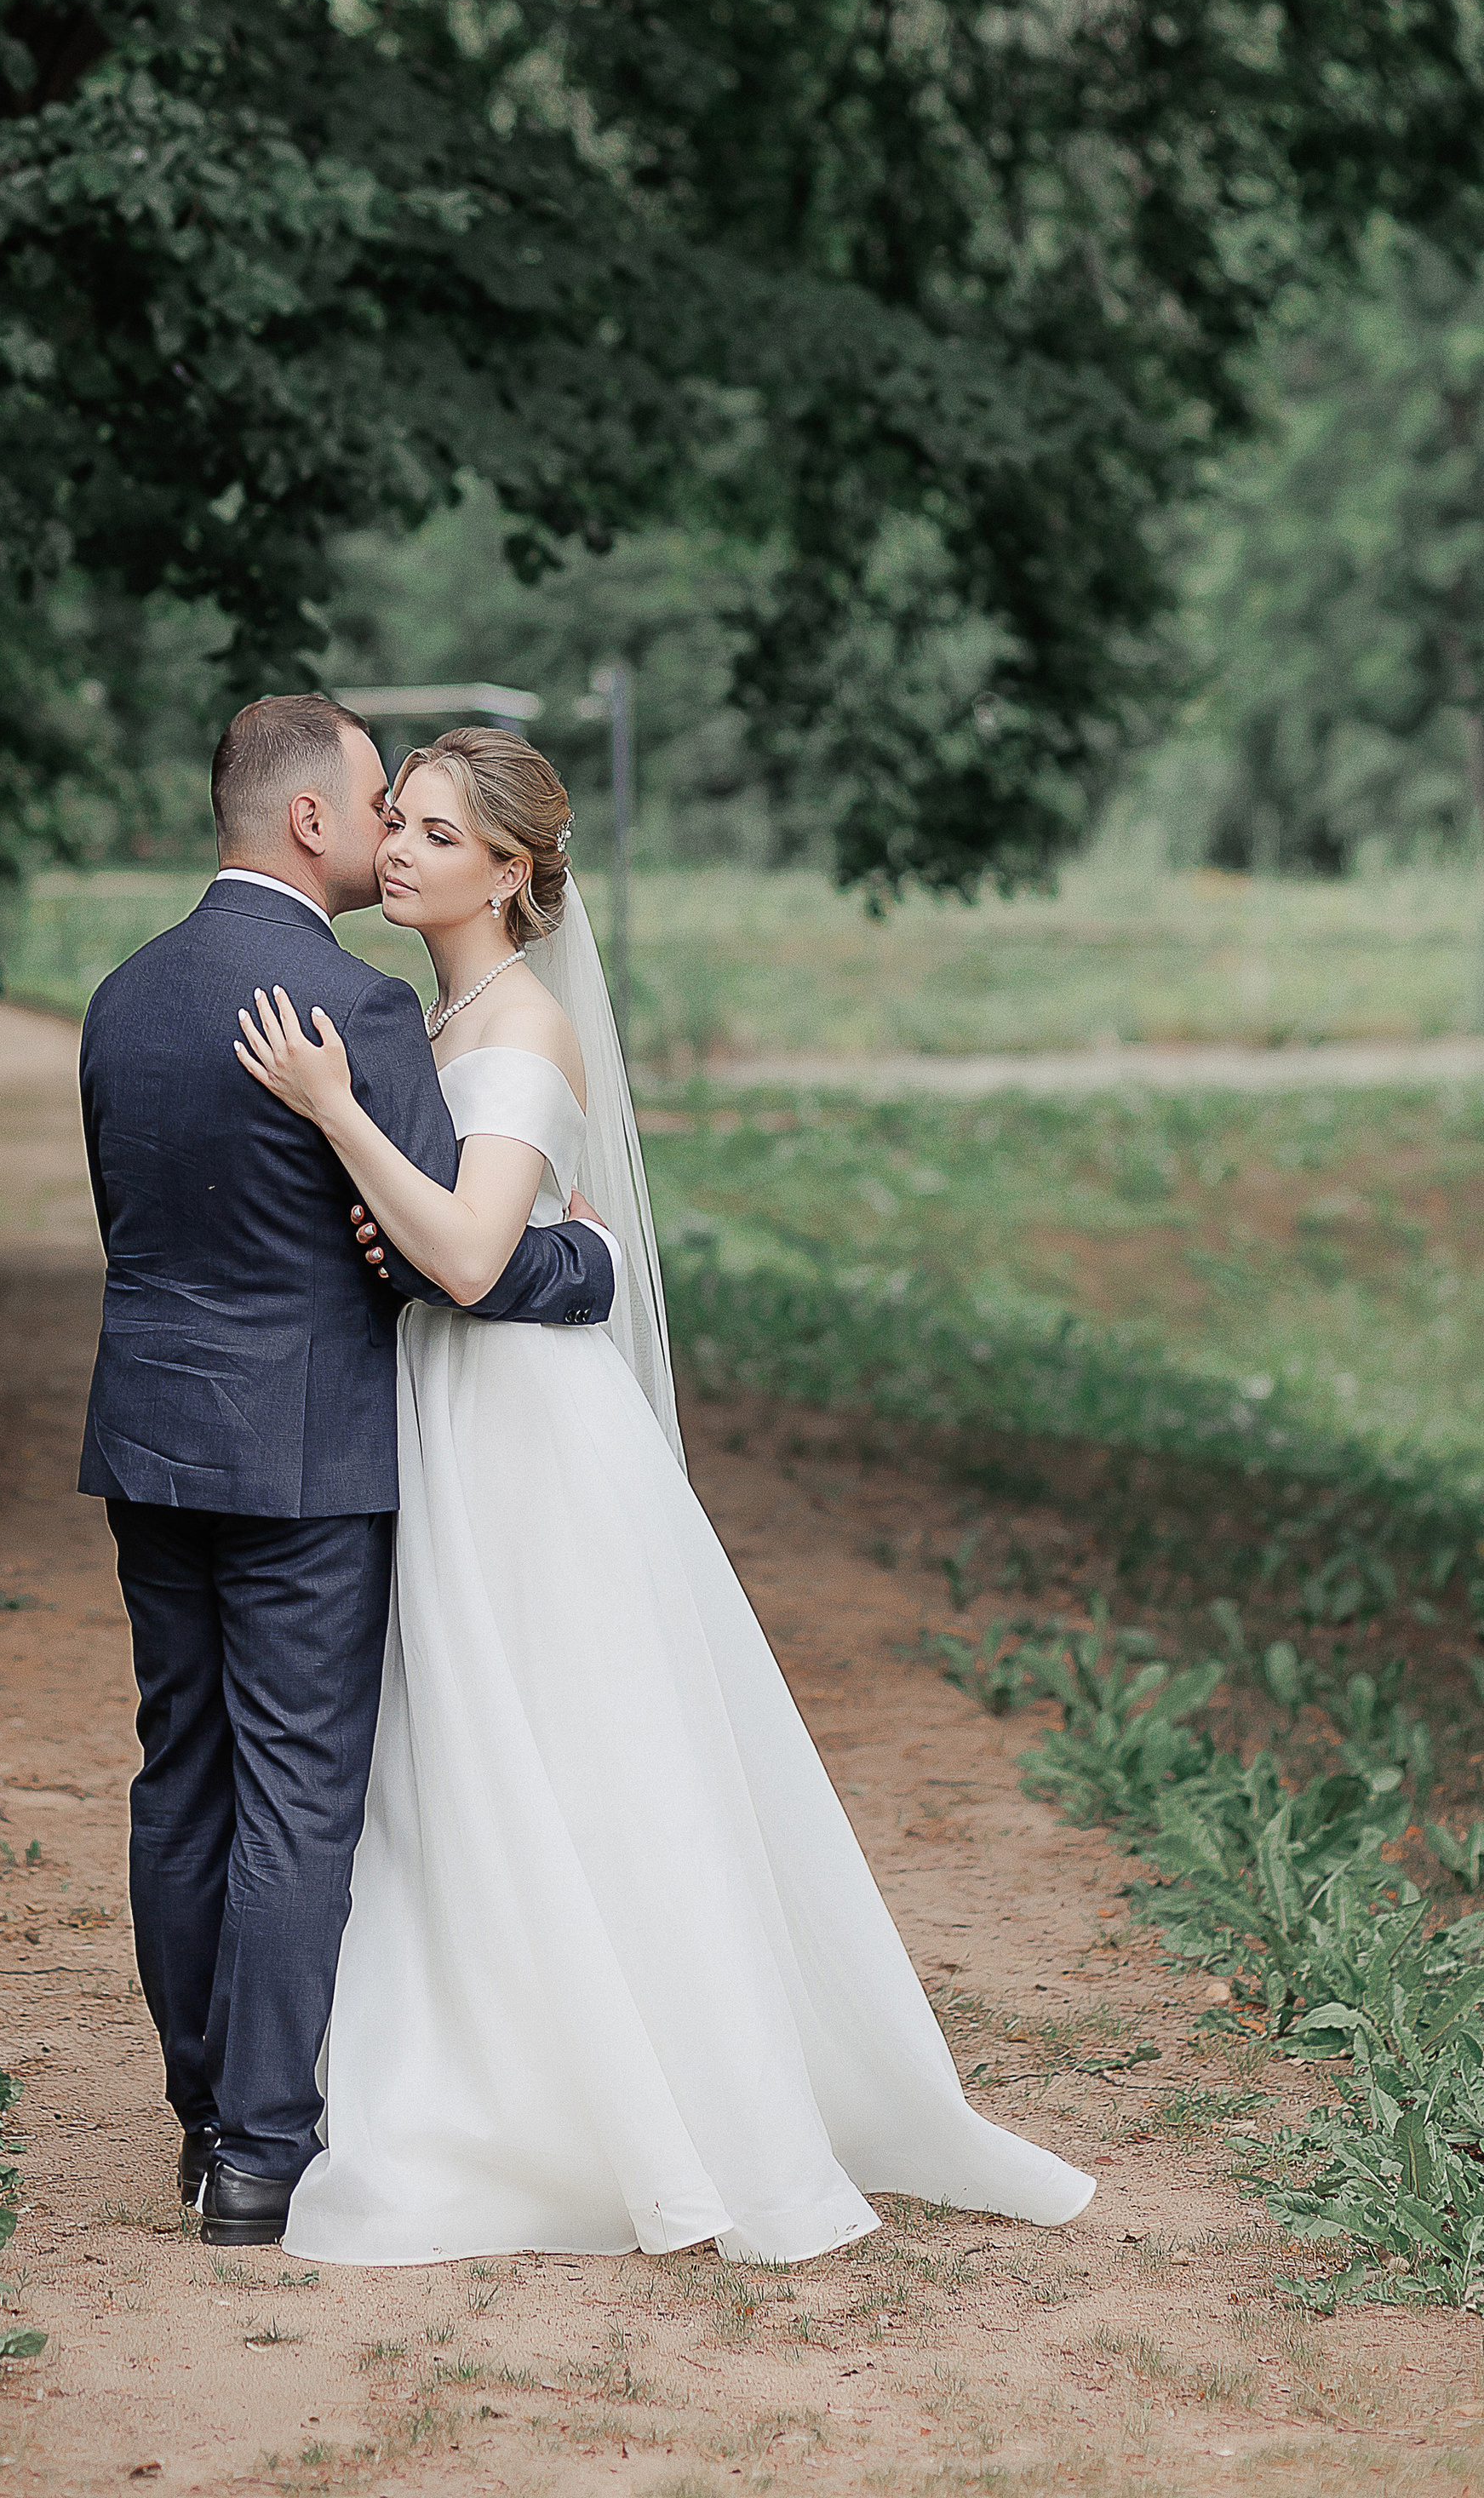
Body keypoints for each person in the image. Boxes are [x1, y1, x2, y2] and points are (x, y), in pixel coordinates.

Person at [234, 725, 1093, 2266]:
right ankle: (496, 2064)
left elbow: (481, 1259)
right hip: (446, 1414)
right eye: (401, 825)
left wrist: (333, 1113)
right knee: (468, 1755)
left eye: (438, 833)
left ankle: (668, 2102)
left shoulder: (522, 1035)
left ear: (513, 871)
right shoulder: (438, 1026)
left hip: (525, 1434)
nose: (404, 851)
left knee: (580, 1741)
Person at [77, 695, 621, 2249]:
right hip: (308, 1454)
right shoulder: (359, 1013)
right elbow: (442, 1254)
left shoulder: (120, 1000)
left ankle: (197, 2126)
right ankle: (260, 2156)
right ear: (310, 819)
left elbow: (151, 1226)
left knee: (178, 1772)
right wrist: (577, 1262)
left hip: (150, 1436)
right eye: (380, 804)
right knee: (300, 1794)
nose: (388, 833)